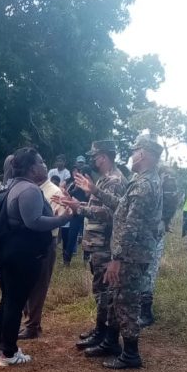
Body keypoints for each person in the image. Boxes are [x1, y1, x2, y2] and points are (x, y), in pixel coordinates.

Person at [87, 137, 164, 369]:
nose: (131, 155)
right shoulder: (142, 181)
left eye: (135, 151)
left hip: (131, 255)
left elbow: (132, 226)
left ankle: (131, 354)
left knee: (126, 303)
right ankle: (112, 342)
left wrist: (117, 258)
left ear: (144, 155)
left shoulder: (143, 185)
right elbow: (122, 205)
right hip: (132, 253)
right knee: (117, 299)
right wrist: (95, 192)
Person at [0, 148, 69, 366]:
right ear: (33, 168)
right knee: (15, 302)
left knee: (8, 299)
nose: (45, 165)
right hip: (22, 254)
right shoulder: (30, 190)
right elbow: (34, 221)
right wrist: (62, 220)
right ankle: (9, 353)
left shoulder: (13, 186)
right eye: (42, 162)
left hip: (7, 250)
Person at [57, 140, 127, 354]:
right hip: (97, 244)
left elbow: (112, 213)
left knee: (106, 293)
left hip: (105, 245)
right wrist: (76, 205)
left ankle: (107, 337)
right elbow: (98, 207)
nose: (93, 161)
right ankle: (100, 331)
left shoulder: (114, 181)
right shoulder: (106, 179)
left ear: (104, 157)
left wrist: (81, 208)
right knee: (101, 291)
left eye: (95, 157)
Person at [18, 172, 66, 340]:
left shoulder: (54, 192)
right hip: (27, 243)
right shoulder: (29, 189)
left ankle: (33, 326)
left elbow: (58, 219)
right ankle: (29, 321)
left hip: (45, 243)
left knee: (39, 285)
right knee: (25, 284)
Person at [139, 163, 181, 327]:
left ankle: (146, 312)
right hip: (142, 230)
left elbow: (171, 202)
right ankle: (139, 307)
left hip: (155, 229)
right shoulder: (144, 175)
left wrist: (163, 221)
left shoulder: (165, 176)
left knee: (149, 269)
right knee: (142, 268)